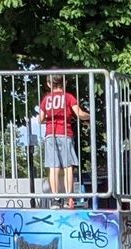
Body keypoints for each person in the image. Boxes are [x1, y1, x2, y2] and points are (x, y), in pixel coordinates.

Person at [37, 75, 91, 208]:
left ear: (49, 84)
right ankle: (70, 198)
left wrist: (50, 120)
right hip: (65, 134)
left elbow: (40, 119)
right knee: (68, 167)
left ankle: (55, 199)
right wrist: (89, 115)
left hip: (50, 134)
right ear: (65, 83)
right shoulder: (68, 97)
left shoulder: (46, 99)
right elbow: (79, 113)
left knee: (53, 168)